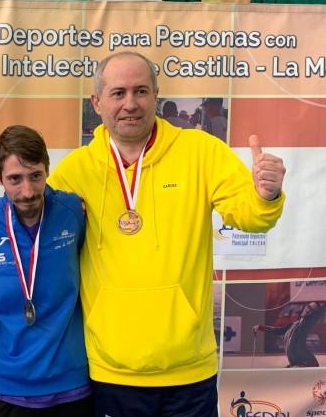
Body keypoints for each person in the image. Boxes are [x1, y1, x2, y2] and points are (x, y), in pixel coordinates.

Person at [47, 51, 286, 416]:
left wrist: (265, 195)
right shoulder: (73, 173)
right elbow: (44, 250)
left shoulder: (201, 152)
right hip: (111, 370)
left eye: (141, 91)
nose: (131, 104)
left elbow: (249, 215)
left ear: (156, 94)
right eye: (118, 93)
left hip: (189, 371)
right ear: (96, 102)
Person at [0, 125, 92, 416]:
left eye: (35, 176)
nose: (27, 192)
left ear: (47, 170)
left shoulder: (73, 210)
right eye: (15, 178)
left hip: (71, 381)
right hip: (5, 382)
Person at [253, 301, 326, 367]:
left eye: (312, 310)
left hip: (307, 362)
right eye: (308, 307)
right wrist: (260, 327)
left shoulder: (308, 322)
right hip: (295, 363)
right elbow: (277, 330)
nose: (308, 310)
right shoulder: (292, 325)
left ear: (314, 313)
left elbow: (322, 310)